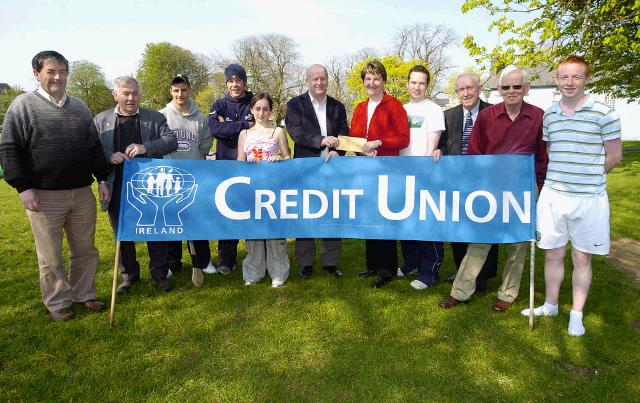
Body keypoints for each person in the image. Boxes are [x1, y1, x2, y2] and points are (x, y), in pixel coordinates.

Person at [0, 50, 109, 321]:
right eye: (51, 72)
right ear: (37, 74)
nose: (57, 77)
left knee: (85, 248)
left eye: (62, 71)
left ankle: (84, 293)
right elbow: (9, 148)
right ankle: (58, 300)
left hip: (82, 192)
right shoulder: (22, 106)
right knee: (50, 254)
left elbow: (94, 148)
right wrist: (23, 187)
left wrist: (103, 178)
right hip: (43, 195)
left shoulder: (80, 108)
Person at [521, 55, 622, 336]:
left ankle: (576, 314)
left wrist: (587, 175)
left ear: (586, 79)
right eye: (564, 77)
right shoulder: (549, 115)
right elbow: (553, 151)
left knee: (582, 258)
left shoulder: (605, 112)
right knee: (553, 255)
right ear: (556, 79)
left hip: (589, 198)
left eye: (576, 77)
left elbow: (614, 156)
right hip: (554, 195)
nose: (569, 82)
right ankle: (551, 304)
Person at [439, 65, 548, 312]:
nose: (511, 91)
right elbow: (476, 154)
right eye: (506, 87)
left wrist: (539, 189)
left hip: (523, 191)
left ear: (526, 89)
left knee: (517, 245)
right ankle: (461, 291)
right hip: (490, 189)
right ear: (499, 89)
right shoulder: (487, 117)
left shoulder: (538, 117)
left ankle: (507, 295)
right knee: (479, 241)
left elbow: (542, 157)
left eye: (517, 86)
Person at [94, 76, 177, 294]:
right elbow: (92, 152)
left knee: (155, 230)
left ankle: (159, 273)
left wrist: (145, 147)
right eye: (126, 93)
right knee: (122, 231)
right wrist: (109, 157)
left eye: (135, 93)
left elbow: (171, 141)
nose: (131, 98)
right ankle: (129, 276)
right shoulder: (101, 120)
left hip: (150, 187)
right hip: (116, 185)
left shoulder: (155, 118)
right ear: (115, 94)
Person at [285, 64, 350, 279]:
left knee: (332, 212)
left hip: (332, 167)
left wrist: (337, 152)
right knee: (306, 213)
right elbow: (295, 133)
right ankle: (305, 262)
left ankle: (331, 262)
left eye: (322, 78)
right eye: (315, 79)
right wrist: (321, 141)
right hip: (306, 167)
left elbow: (344, 133)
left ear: (327, 80)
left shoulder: (337, 106)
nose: (319, 82)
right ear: (307, 81)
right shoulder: (295, 105)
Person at [349, 60, 410, 288]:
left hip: (387, 169)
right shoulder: (359, 108)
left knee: (384, 217)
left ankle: (387, 269)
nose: (372, 83)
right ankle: (372, 264)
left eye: (376, 78)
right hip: (365, 169)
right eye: (368, 79)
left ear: (384, 81)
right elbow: (354, 137)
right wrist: (357, 150)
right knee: (369, 216)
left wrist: (379, 143)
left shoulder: (394, 106)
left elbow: (403, 138)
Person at [439, 72, 499, 294]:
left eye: (469, 88)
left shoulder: (493, 113)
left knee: (483, 229)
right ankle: (461, 271)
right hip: (456, 182)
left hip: (485, 181)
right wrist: (439, 151)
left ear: (479, 88)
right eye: (461, 90)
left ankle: (482, 277)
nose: (465, 93)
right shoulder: (448, 116)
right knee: (459, 230)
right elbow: (444, 146)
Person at [160, 74, 215, 287]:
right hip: (170, 177)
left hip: (194, 177)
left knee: (196, 220)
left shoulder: (200, 119)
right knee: (172, 220)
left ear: (189, 91)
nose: (180, 94)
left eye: (183, 90)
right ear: (170, 91)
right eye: (176, 90)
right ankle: (174, 263)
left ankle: (203, 260)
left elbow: (204, 148)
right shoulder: (162, 116)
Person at [397, 65, 445, 291]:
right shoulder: (400, 109)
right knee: (406, 220)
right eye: (413, 82)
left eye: (421, 83)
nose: (416, 87)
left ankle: (430, 270)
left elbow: (431, 143)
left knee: (427, 223)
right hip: (402, 172)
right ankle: (412, 263)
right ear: (407, 84)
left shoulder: (434, 110)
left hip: (425, 173)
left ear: (427, 86)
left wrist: (423, 173)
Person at [237, 92, 291, 288]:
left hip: (273, 190)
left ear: (271, 111)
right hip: (251, 190)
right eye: (257, 108)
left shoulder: (277, 132)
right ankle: (253, 273)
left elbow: (287, 157)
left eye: (265, 109)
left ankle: (278, 273)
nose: (261, 112)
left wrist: (280, 167)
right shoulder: (244, 134)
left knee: (275, 232)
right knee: (253, 233)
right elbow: (240, 161)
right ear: (251, 110)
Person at [208, 64, 254, 275]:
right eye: (230, 81)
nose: (235, 84)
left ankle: (256, 257)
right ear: (226, 83)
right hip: (225, 167)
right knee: (227, 212)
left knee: (253, 210)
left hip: (251, 165)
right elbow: (215, 130)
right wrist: (243, 126)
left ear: (244, 81)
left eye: (238, 80)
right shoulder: (219, 104)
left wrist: (229, 126)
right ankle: (226, 260)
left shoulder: (254, 102)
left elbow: (259, 126)